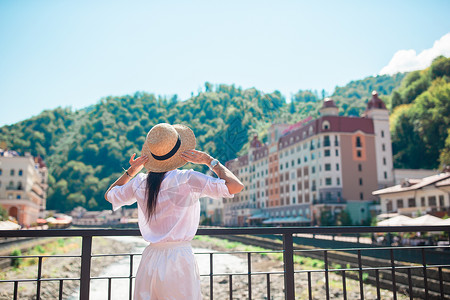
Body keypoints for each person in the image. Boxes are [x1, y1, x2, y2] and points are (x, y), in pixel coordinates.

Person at [104, 123, 244, 300]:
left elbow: (110, 195)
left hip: (150, 258)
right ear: (179, 152)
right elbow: (235, 186)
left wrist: (131, 170)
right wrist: (210, 161)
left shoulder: (140, 181)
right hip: (178, 259)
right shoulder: (187, 179)